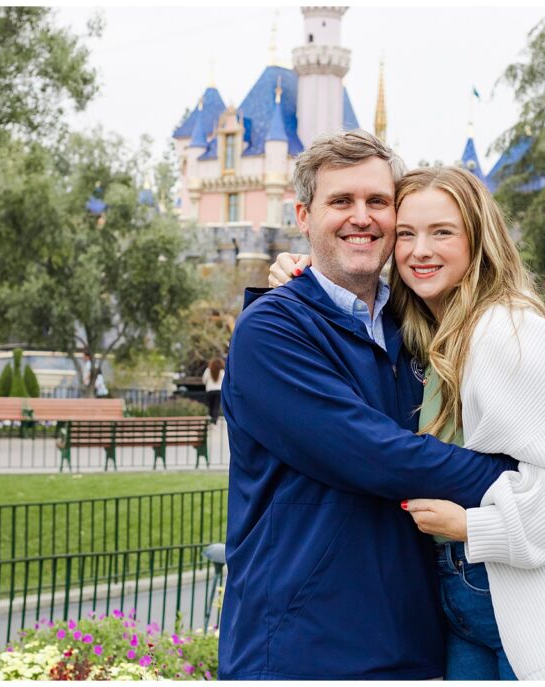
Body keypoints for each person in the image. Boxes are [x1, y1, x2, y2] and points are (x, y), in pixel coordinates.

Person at [271, 165, 545, 680]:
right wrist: (306, 272)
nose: (419, 251)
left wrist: (475, 527)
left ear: (477, 241)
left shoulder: (509, 332)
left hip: (542, 613)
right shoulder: (424, 334)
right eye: (407, 234)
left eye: (442, 232)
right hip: (462, 611)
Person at [220, 130, 519, 680]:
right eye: (341, 201)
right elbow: (379, 456)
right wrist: (515, 477)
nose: (362, 216)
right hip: (305, 650)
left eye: (377, 202)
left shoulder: (417, 327)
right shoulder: (273, 331)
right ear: (304, 216)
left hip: (417, 645)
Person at [201, 357, 224, 424]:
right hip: (218, 391)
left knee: (209, 406)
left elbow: (204, 380)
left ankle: (210, 419)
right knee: (216, 407)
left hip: (209, 390)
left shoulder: (208, 370)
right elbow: (224, 382)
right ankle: (214, 421)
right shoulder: (222, 372)